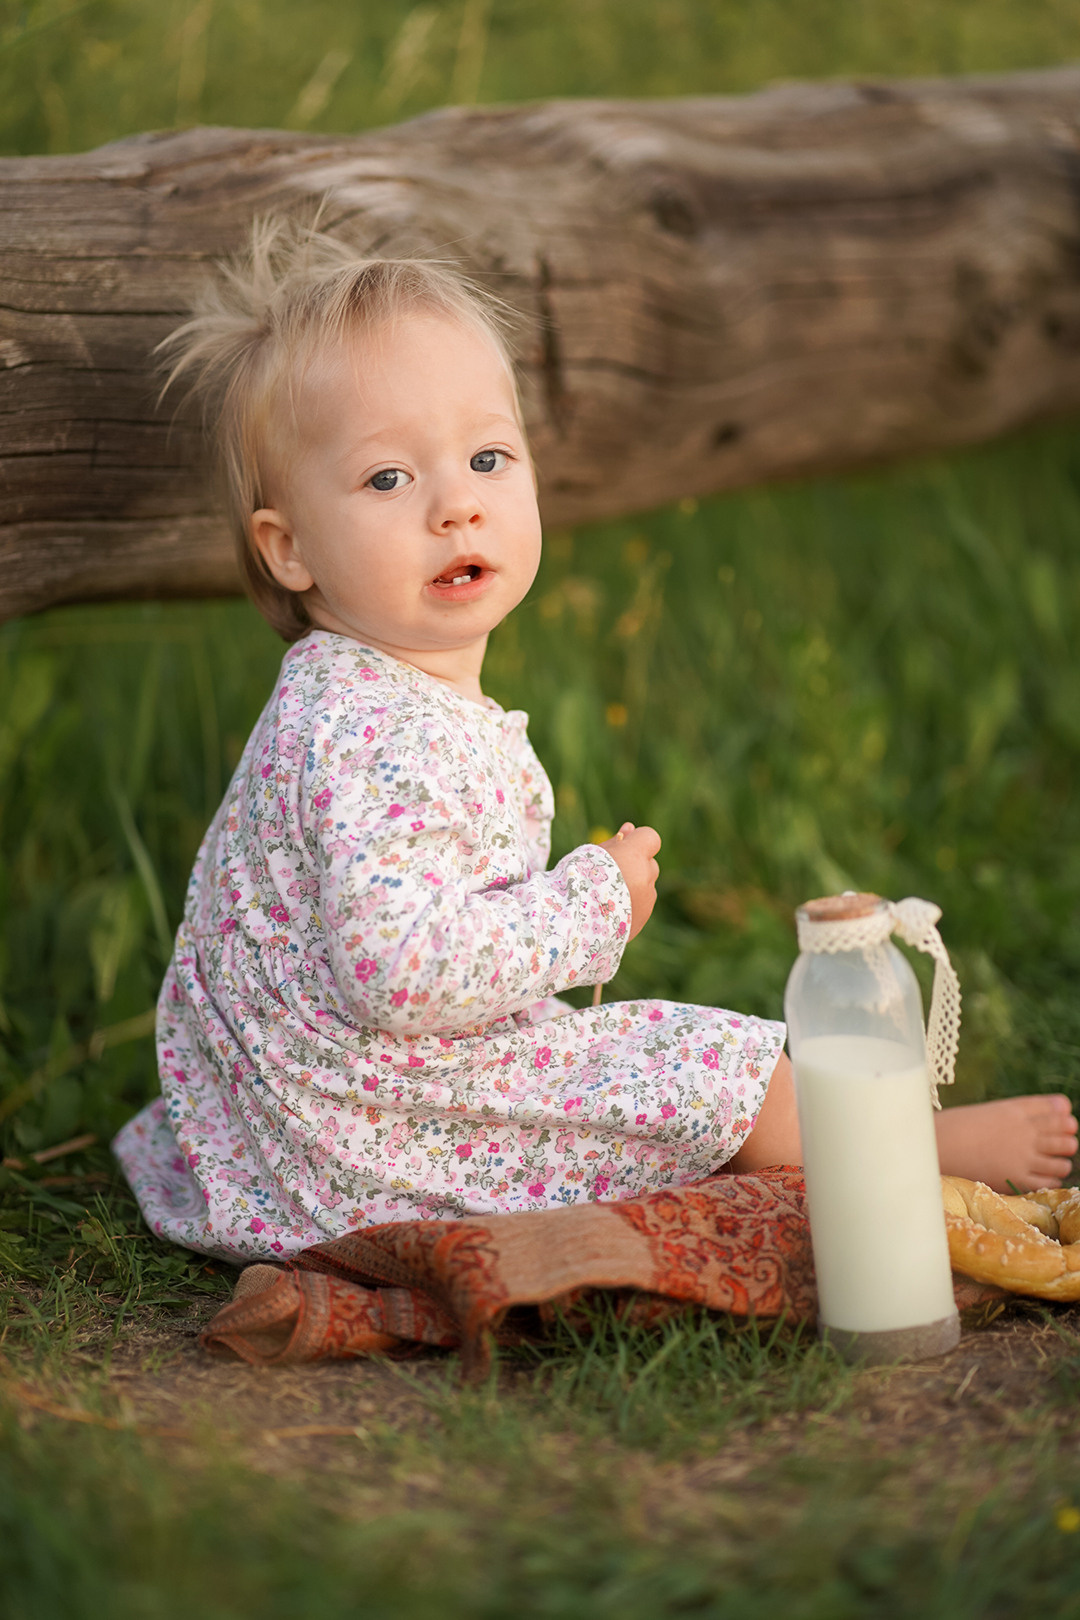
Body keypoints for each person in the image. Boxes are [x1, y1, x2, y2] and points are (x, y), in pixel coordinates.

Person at [113, 221, 1077, 1261]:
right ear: (288, 545)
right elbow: (396, 975)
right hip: (366, 1127)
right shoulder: (367, 732)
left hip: (331, 1102)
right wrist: (588, 906)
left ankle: (862, 1139)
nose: (456, 506)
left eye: (488, 457)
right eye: (388, 479)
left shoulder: (356, 693)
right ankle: (912, 1150)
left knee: (624, 1062)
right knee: (699, 1067)